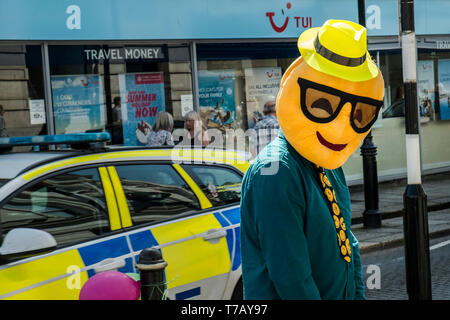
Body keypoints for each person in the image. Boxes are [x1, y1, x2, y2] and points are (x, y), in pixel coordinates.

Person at [240, 19, 385, 300]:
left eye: (361, 113)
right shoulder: (276, 171)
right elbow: (293, 279)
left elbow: (349, 249)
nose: (340, 129)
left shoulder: (327, 164)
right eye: (321, 104)